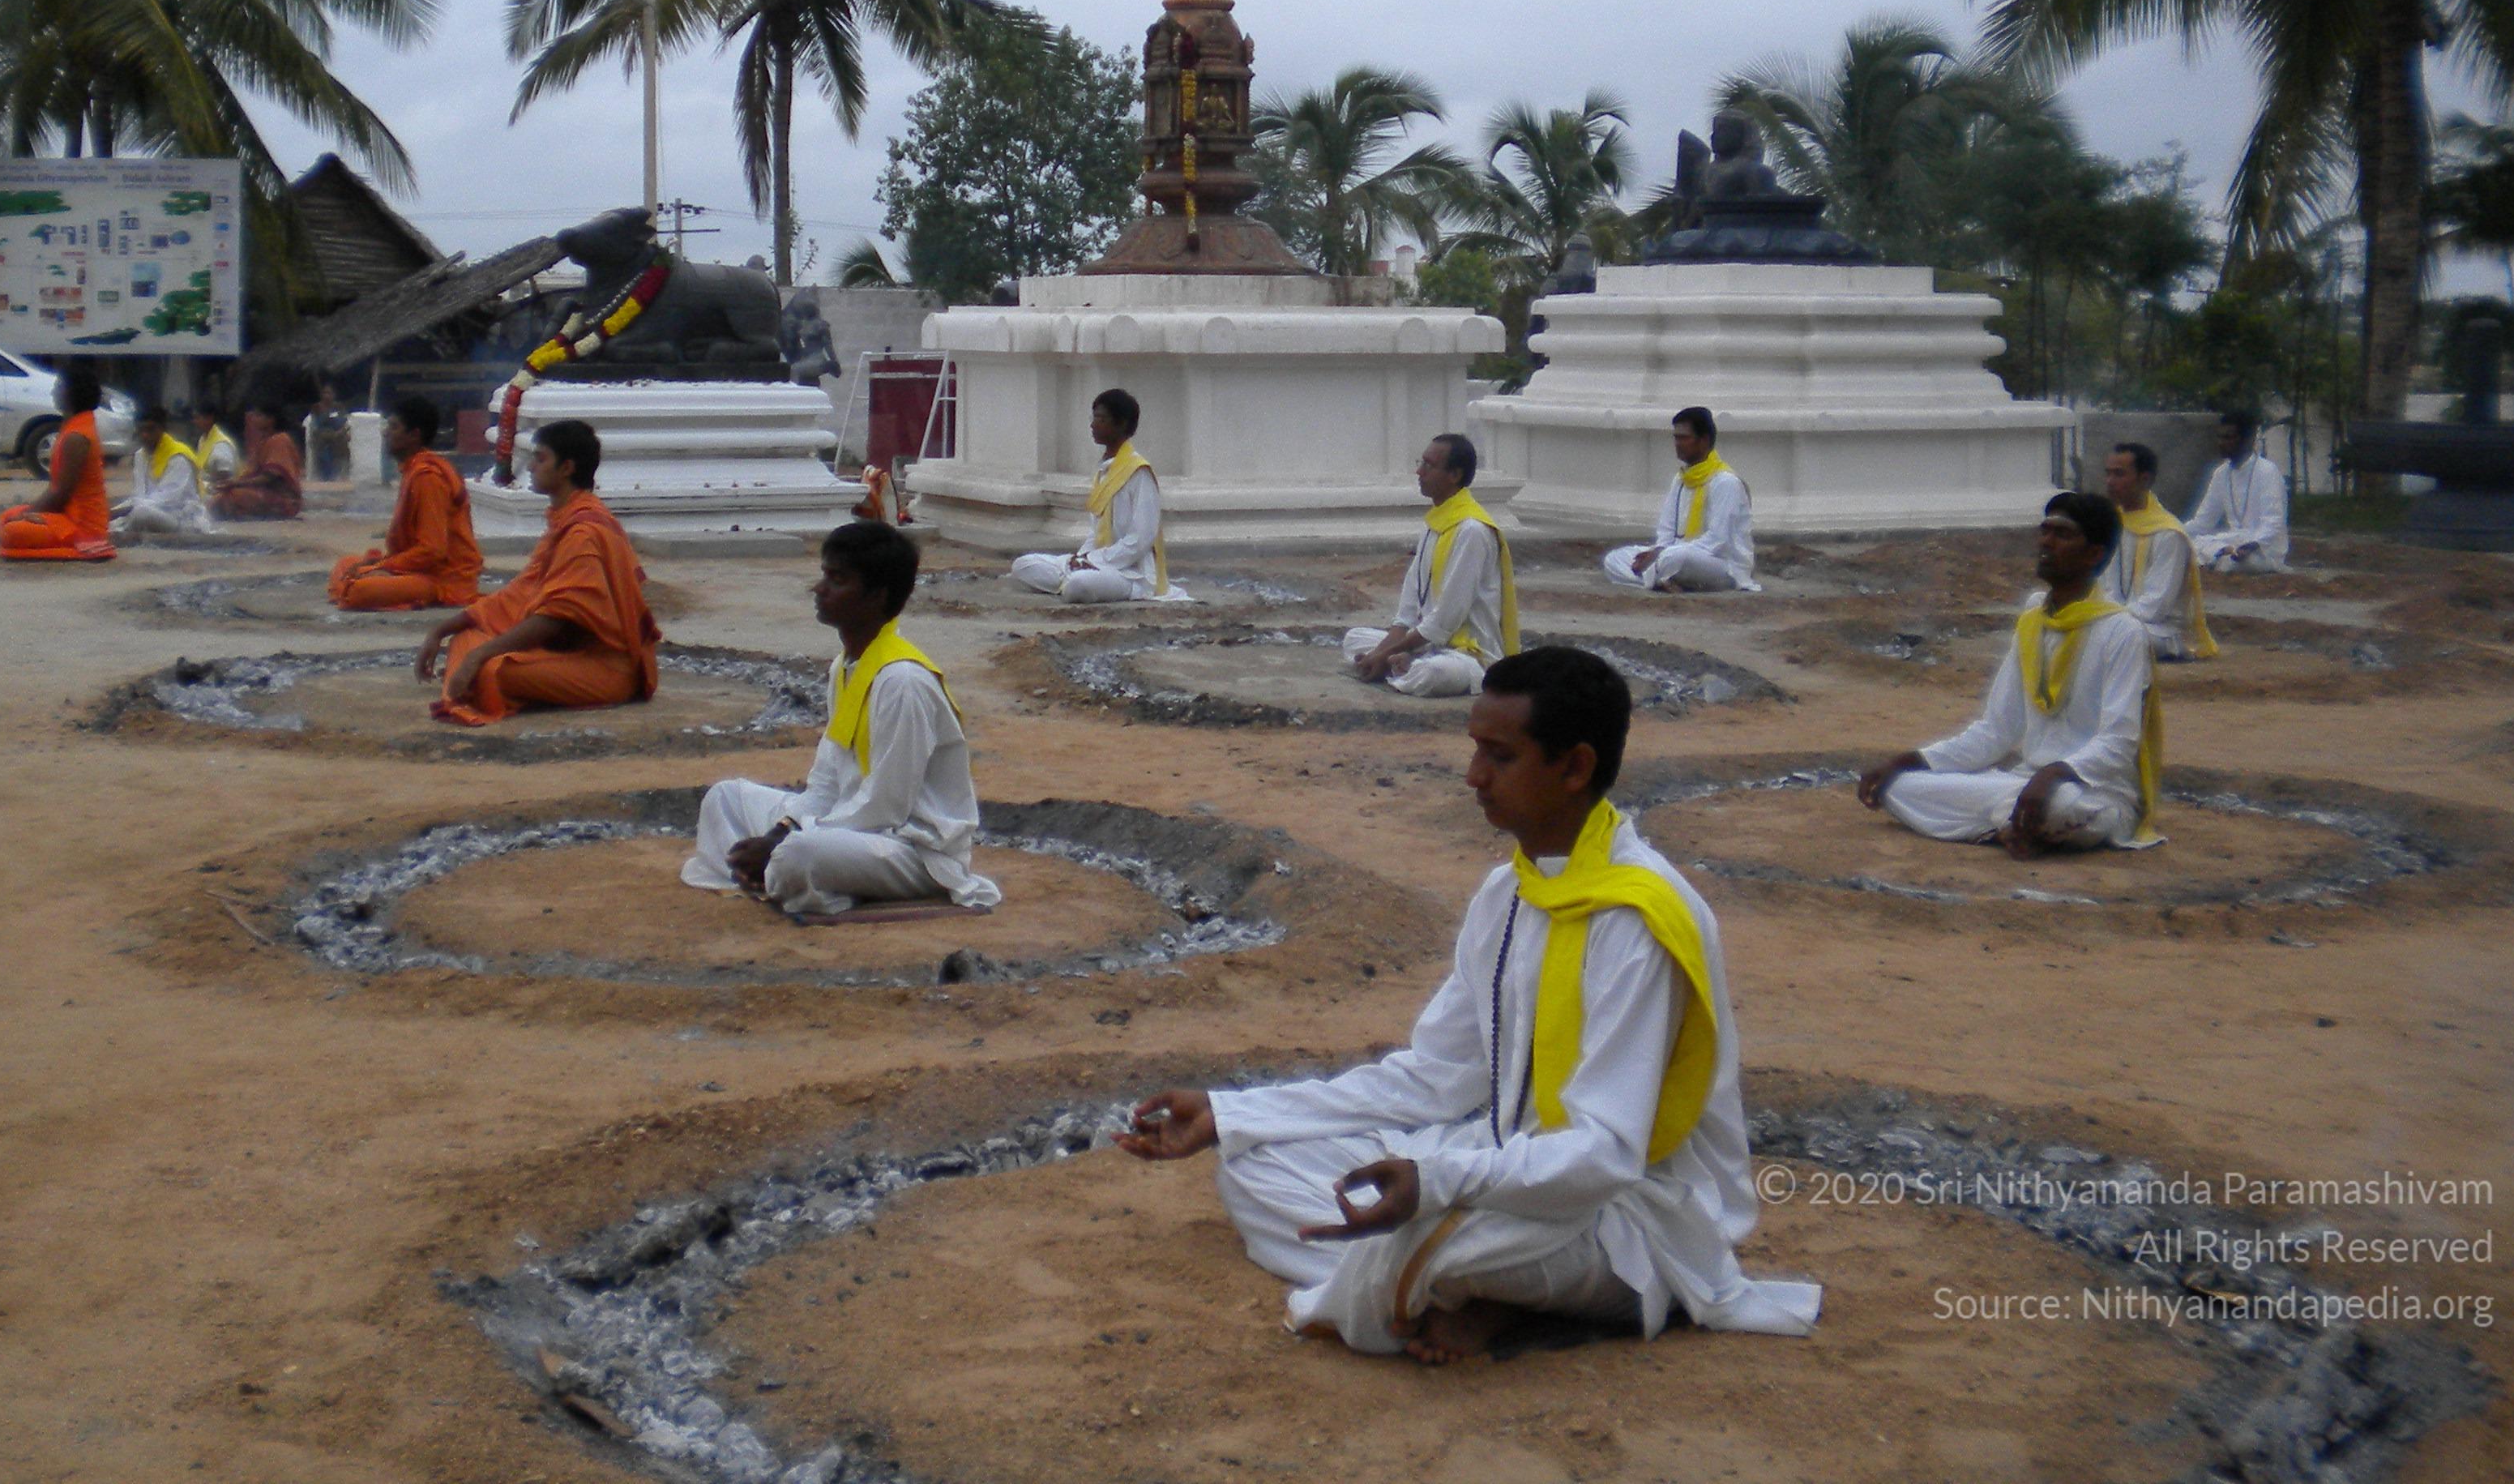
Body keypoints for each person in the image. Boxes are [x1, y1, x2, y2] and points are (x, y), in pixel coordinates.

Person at [1118, 646, 1819, 1362]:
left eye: (1500, 756)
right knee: (1253, 1165)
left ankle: (1457, 1283)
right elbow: (1433, 1078)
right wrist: (1234, 1113)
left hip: (1627, 1213)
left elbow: (1606, 1155)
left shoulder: (1640, 922)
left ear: (1575, 767)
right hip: (1499, 1160)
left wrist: (1438, 1184)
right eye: (1475, 750)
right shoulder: (1507, 893)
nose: (1473, 776)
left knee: (1427, 1234)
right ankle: (1459, 1290)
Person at [682, 519, 1002, 920]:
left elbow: (885, 807)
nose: (820, 589)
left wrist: (788, 841)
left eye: (838, 580)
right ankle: (772, 874)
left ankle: (791, 877)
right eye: (824, 576)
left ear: (877, 596)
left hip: (911, 850)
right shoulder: (846, 667)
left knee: (799, 853)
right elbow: (826, 782)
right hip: (847, 827)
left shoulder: (903, 682)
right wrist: (782, 828)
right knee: (725, 798)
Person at [1855, 491, 2165, 857]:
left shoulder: (2123, 631)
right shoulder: (2033, 621)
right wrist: (1909, 761)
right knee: (1900, 786)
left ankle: (2013, 820)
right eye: (2045, 531)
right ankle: (2014, 822)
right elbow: (1996, 730)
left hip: (2093, 790)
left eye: (2063, 535)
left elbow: (2119, 742)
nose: (2046, 542)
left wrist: (2053, 774)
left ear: (2094, 554)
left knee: (2062, 806)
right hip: (2025, 784)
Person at [415, 418, 659, 728]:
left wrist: (479, 657)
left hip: (605, 666)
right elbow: (518, 595)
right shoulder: (564, 521)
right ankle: (472, 683)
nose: (530, 467)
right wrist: (441, 630)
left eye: (540, 459)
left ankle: (474, 687)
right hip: (563, 653)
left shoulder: (583, 532)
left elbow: (554, 619)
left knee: (491, 669)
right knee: (467, 638)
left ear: (566, 468)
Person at [1345, 434, 1518, 698]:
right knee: (1353, 639)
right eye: (1421, 463)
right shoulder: (1435, 524)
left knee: (1432, 674)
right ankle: (1400, 664)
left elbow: (1446, 620)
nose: (1419, 471)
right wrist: (1382, 652)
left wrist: (1384, 655)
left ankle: (1404, 665)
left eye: (1429, 465)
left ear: (1454, 475)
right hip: (1425, 644)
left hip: (1467, 653)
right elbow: (1408, 611)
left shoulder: (1472, 531)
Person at [1008, 388, 1176, 603]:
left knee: (1079, 585)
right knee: (1023, 565)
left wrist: (1096, 560)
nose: (1093, 425)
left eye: (1101, 419)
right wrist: (1082, 557)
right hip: (1095, 562)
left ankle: (1076, 582)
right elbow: (1096, 531)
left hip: (1128, 571)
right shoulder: (1104, 470)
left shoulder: (1139, 472)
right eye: (1094, 418)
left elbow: (1141, 539)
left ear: (1121, 424)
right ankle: (1073, 578)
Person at [328, 395, 482, 610]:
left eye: (394, 427)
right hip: (413, 570)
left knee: (361, 589)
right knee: (345, 564)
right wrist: (383, 566)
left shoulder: (428, 478)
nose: (386, 433)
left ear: (414, 435)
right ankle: (357, 586)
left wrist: (385, 567)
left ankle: (355, 589)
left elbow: (432, 551)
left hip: (440, 579)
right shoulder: (413, 470)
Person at [1603, 408, 1757, 593]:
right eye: (1676, 438)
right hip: (1673, 554)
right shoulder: (1681, 479)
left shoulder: (1725, 482)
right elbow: (1666, 531)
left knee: (1676, 559)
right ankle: (1661, 578)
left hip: (1721, 565)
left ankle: (1656, 577)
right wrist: (1658, 550)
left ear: (1704, 440)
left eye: (1684, 438)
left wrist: (1662, 554)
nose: (1677, 444)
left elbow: (1718, 541)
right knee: (1614, 558)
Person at [2099, 442, 2216, 663]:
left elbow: (2155, 606)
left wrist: (2104, 619)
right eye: (2108, 474)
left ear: (2144, 479)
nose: (2110, 482)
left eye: (2119, 474)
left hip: (2157, 630)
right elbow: (2104, 587)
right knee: (2039, 603)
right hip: (2113, 621)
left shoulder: (2168, 533)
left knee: (2122, 635)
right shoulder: (2111, 523)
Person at [0, 366, 118, 562]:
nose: (53, 392)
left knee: (13, 531)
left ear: (71, 393)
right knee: (7, 517)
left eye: (58, 386)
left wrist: (31, 514)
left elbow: (61, 493)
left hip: (83, 526)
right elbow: (57, 490)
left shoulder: (77, 437)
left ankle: (81, 545)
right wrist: (30, 513)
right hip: (67, 516)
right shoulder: (75, 426)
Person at [2185, 411, 2290, 572]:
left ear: (2247, 440)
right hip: (2233, 543)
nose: (2221, 443)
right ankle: (2221, 555)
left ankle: (2218, 559)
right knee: (2188, 543)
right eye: (2219, 437)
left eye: (2227, 438)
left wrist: (2251, 545)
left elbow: (2273, 522)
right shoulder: (2221, 473)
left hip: (2262, 550)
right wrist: (2174, 532)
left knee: (2247, 561)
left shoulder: (2267, 471)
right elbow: (2203, 522)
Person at [114, 404, 214, 540]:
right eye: (141, 430)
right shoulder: (140, 456)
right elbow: (139, 494)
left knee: (141, 514)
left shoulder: (178, 457)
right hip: (146, 510)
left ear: (162, 429)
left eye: (151, 430)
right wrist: (118, 511)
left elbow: (169, 500)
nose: (145, 435)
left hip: (180, 517)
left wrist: (128, 510)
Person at [211, 402, 306, 521]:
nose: (254, 419)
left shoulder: (280, 440)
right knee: (221, 494)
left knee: (232, 496)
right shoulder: (264, 441)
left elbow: (270, 477)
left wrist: (236, 483)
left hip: (283, 499)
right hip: (264, 491)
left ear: (270, 420)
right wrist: (230, 483)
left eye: (259, 416)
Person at [188, 399, 240, 491]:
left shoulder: (222, 445)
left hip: (217, 494)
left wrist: (207, 487)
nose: (194, 422)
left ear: (209, 418)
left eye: (197, 418)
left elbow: (226, 480)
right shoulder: (203, 439)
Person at [306, 381, 352, 482]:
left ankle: (338, 475)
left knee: (341, 446)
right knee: (323, 447)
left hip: (338, 434)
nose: (326, 396)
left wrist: (340, 432)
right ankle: (325, 476)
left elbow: (345, 422)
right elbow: (314, 424)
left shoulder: (339, 407)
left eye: (329, 393)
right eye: (324, 393)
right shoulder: (317, 408)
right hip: (321, 435)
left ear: (334, 395)